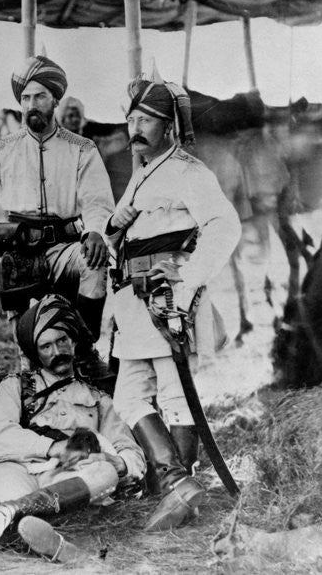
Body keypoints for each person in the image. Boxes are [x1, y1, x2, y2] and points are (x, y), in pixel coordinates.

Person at [104, 73, 241, 531]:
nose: (135, 128)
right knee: (129, 397)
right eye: (132, 119)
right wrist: (114, 225)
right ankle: (177, 486)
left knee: (173, 396)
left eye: (147, 120)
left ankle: (179, 486)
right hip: (133, 301)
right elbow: (123, 239)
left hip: (165, 301)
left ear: (170, 129)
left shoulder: (188, 170)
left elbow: (225, 226)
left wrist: (185, 281)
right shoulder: (143, 174)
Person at [0, 56, 115, 344]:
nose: (32, 105)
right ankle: (27, 370)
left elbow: (97, 198)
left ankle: (85, 348)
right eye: (26, 98)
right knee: (24, 341)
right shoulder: (3, 148)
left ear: (55, 99)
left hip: (65, 247)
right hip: (19, 248)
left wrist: (94, 229)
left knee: (93, 262)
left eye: (40, 96)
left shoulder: (81, 148)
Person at [0, 294, 145, 561]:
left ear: (73, 341)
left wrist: (120, 463)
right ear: (35, 352)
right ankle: (55, 543)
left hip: (68, 478)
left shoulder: (98, 398)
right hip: (19, 467)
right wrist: (51, 447)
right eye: (46, 346)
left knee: (105, 472)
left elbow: (128, 449)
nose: (57, 352)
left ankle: (17, 518)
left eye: (62, 341)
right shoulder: (17, 385)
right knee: (5, 485)